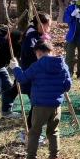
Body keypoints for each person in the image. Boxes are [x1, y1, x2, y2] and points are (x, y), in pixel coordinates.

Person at [10, 41, 72, 159]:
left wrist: (15, 67)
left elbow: (22, 78)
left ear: (38, 53)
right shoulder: (63, 65)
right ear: (51, 51)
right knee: (53, 132)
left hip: (40, 106)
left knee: (34, 133)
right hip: (56, 106)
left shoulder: (37, 65)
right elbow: (67, 86)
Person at [17, 12, 52, 143]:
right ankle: (28, 134)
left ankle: (30, 133)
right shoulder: (31, 36)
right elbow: (31, 52)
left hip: (37, 76)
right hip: (32, 77)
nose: (49, 28)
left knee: (37, 105)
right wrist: (43, 47)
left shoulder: (37, 35)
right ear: (40, 25)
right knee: (37, 106)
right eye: (47, 25)